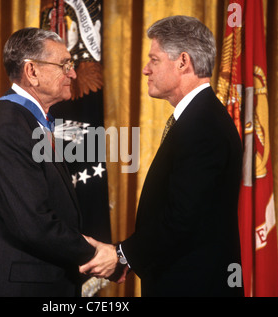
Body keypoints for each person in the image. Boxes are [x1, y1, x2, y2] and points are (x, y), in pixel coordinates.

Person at [80, 16, 244, 297]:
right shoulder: (200, 118)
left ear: (183, 62)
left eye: (153, 60)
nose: (145, 69)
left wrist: (122, 255)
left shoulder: (203, 125)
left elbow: (181, 218)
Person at [0, 27, 96, 297]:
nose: (72, 73)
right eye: (64, 65)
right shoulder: (9, 130)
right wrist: (98, 255)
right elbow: (34, 225)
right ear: (32, 72)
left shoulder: (28, 123)